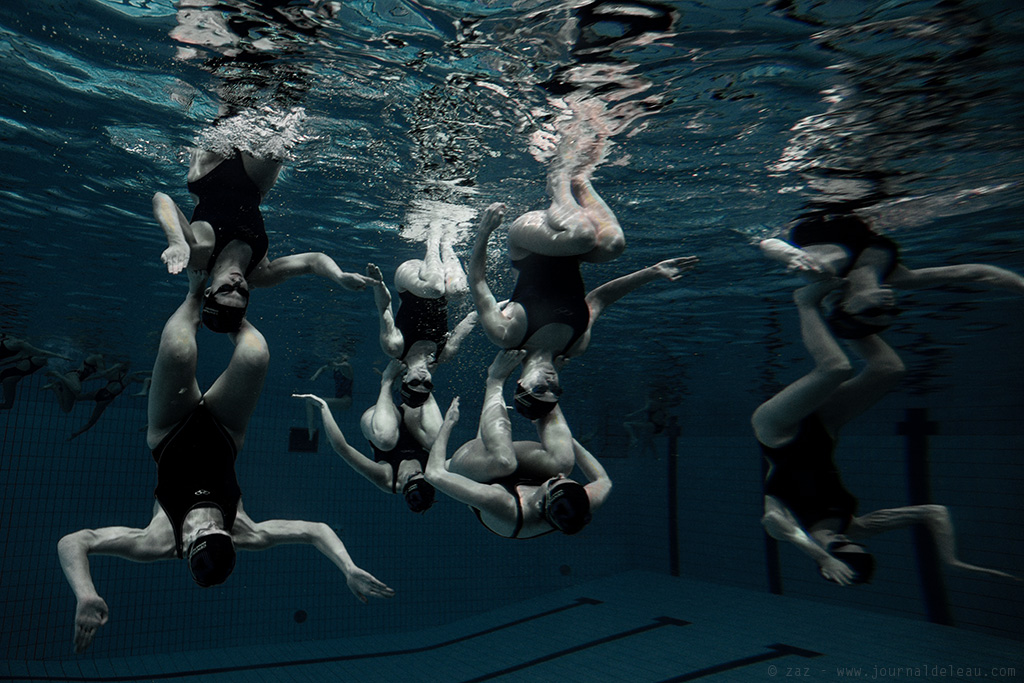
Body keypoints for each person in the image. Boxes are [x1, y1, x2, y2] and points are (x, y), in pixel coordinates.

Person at [57, 269, 394, 654]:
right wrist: (348, 568)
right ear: (231, 541)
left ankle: (195, 292)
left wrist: (85, 594)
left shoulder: (155, 542)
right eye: (219, 530)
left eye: (202, 532)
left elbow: (74, 541)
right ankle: (233, 305)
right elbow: (315, 530)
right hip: (224, 431)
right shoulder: (247, 533)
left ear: (188, 543)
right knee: (255, 354)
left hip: (170, 430)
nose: (207, 523)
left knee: (179, 346)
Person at [751, 279, 1018, 586]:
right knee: (889, 369)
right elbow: (933, 512)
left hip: (777, 430)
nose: (846, 540)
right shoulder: (856, 526)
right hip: (824, 428)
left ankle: (806, 302)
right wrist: (951, 560)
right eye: (856, 546)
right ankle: (836, 310)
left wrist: (822, 556)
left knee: (836, 368)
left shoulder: (789, 525)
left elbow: (771, 521)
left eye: (842, 547)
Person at [470, 197, 697, 421]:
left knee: (583, 237)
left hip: (527, 239)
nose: (551, 384)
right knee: (614, 246)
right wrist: (654, 272)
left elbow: (478, 282)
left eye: (540, 389)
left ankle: (558, 180)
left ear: (520, 383)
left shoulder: (507, 336)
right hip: (571, 248)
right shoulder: (576, 345)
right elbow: (600, 298)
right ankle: (579, 180)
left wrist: (485, 230)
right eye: (556, 391)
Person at [152, 147, 378, 334]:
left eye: (226, 290)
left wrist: (176, 241)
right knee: (274, 128)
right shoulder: (261, 274)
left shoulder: (197, 256)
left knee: (230, 106)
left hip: (207, 176)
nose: (237, 285)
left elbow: (161, 199)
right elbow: (312, 261)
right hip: (253, 184)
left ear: (209, 292)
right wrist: (338, 276)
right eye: (242, 294)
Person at [425, 350, 612, 539]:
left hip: (473, 472)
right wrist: (568, 439)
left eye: (555, 481)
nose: (561, 476)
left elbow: (434, 474)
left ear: (541, 504)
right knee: (563, 461)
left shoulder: (503, 507)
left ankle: (496, 379)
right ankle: (541, 385)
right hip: (509, 468)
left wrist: (447, 425)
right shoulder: (579, 503)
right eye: (567, 480)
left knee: (504, 462)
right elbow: (604, 481)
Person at [760, 212, 1024, 339]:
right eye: (893, 313)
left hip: (821, 185)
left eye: (874, 312)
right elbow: (980, 274)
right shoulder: (901, 278)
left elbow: (768, 243)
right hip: (876, 190)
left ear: (845, 306)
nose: (889, 307)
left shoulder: (826, 272)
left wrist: (790, 255)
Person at [367, 224, 478, 412]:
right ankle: (447, 243)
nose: (423, 379)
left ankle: (433, 236)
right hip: (439, 280)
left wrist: (378, 284)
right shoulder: (444, 355)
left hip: (410, 277)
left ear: (404, 378)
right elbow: (471, 320)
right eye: (427, 385)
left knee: (435, 288)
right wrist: (496, 307)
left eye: (415, 382)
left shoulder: (394, 347)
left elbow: (384, 307)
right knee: (459, 292)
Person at [65, 365, 151, 441]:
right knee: (91, 422)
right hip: (107, 398)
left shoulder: (115, 374)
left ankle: (66, 386)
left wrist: (84, 379)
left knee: (79, 398)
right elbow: (141, 381)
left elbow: (99, 376)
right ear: (127, 370)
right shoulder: (130, 378)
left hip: (101, 392)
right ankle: (75, 434)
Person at [0, 333, 69, 410]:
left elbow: (6, 362)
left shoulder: (24, 354)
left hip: (5, 372)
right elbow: (44, 354)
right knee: (8, 405)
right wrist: (61, 357)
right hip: (10, 379)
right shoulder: (40, 359)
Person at [305, 355, 354, 439]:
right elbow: (323, 368)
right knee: (320, 407)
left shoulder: (346, 368)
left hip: (345, 401)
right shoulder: (336, 368)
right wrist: (315, 375)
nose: (334, 357)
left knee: (310, 401)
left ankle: (312, 428)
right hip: (340, 401)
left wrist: (335, 364)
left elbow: (346, 365)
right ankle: (329, 434)